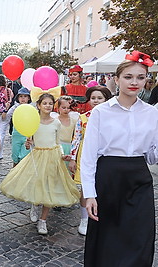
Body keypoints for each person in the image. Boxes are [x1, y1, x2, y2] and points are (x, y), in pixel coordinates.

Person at [81, 51, 158, 266]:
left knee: (140, 237)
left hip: (139, 179)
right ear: (117, 79)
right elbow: (88, 157)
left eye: (141, 77)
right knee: (107, 238)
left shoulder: (152, 113)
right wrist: (90, 194)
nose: (135, 82)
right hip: (108, 178)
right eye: (128, 77)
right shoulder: (100, 112)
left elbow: (152, 157)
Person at [0, 92, 80, 235]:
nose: (48, 106)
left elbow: (57, 142)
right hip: (38, 155)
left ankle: (43, 221)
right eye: (45, 103)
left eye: (50, 103)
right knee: (37, 184)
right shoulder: (34, 121)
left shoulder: (56, 122)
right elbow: (30, 141)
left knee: (49, 188)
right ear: (39, 105)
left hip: (53, 156)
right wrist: (28, 143)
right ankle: (34, 205)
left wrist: (62, 155)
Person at [68, 86, 112, 236]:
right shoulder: (83, 118)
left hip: (106, 158)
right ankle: (84, 219)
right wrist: (72, 158)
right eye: (93, 98)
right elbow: (76, 139)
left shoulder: (113, 118)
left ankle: (103, 217)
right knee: (86, 189)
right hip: (85, 157)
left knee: (104, 188)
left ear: (106, 99)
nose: (96, 101)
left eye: (100, 98)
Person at [6, 87, 32, 167]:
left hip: (26, 134)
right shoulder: (15, 107)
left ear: (28, 98)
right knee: (15, 154)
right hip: (16, 134)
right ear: (18, 98)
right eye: (21, 96)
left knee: (24, 155)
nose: (23, 98)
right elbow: (8, 115)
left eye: (25, 96)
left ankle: (21, 171)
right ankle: (14, 171)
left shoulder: (31, 108)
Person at [0, 74, 14, 160]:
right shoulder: (8, 91)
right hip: (5, 113)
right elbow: (10, 101)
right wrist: (5, 110)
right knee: (2, 133)